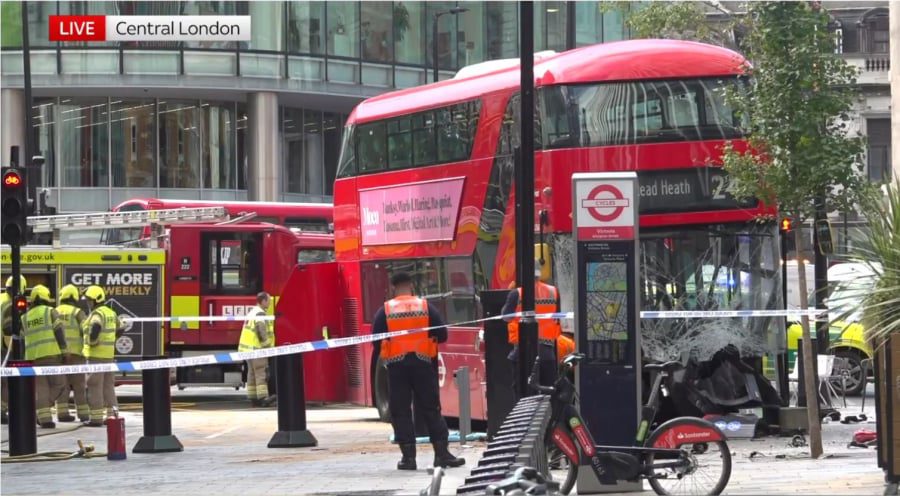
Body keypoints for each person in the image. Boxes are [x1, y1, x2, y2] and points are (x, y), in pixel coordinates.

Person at [372, 272, 465, 471]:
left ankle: (408, 458)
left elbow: (376, 340)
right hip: (423, 364)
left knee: (401, 411)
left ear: (393, 288)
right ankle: (442, 454)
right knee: (432, 409)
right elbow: (442, 334)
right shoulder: (425, 307)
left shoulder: (385, 310)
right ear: (411, 286)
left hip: (397, 368)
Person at [502, 263, 562, 387]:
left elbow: (506, 317)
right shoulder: (553, 291)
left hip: (522, 352)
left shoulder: (517, 293)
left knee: (522, 392)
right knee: (548, 392)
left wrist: (511, 291)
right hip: (547, 353)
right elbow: (557, 317)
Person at [21, 284, 67, 428]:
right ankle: (41, 410)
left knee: (41, 389)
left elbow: (22, 340)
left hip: (32, 358)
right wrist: (64, 350)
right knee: (60, 384)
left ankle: (44, 419)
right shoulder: (50, 311)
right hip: (50, 354)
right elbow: (59, 331)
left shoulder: (24, 317)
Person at [82, 285, 123, 427]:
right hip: (108, 356)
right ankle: (113, 416)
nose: (88, 303)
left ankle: (96, 418)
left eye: (89, 300)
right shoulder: (110, 312)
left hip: (96, 356)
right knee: (108, 386)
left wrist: (92, 342)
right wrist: (112, 339)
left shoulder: (97, 314)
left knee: (94, 386)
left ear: (96, 300)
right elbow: (121, 327)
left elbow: (96, 327)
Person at [55, 284, 89, 422]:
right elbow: (86, 329)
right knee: (79, 385)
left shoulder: (54, 311)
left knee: (62, 384)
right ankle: (83, 414)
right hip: (76, 354)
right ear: (74, 297)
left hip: (59, 354)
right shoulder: (77, 312)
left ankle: (62, 413)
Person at [238, 291, 274, 407]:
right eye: (268, 300)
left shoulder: (252, 312)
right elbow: (261, 330)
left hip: (248, 349)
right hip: (258, 349)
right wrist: (267, 345)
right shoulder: (260, 314)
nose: (270, 303)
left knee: (252, 373)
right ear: (263, 301)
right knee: (261, 373)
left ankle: (253, 398)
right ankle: (263, 398)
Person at [1, 275, 26, 425]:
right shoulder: (10, 304)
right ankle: (1, 411)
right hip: (4, 346)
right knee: (6, 381)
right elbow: (8, 327)